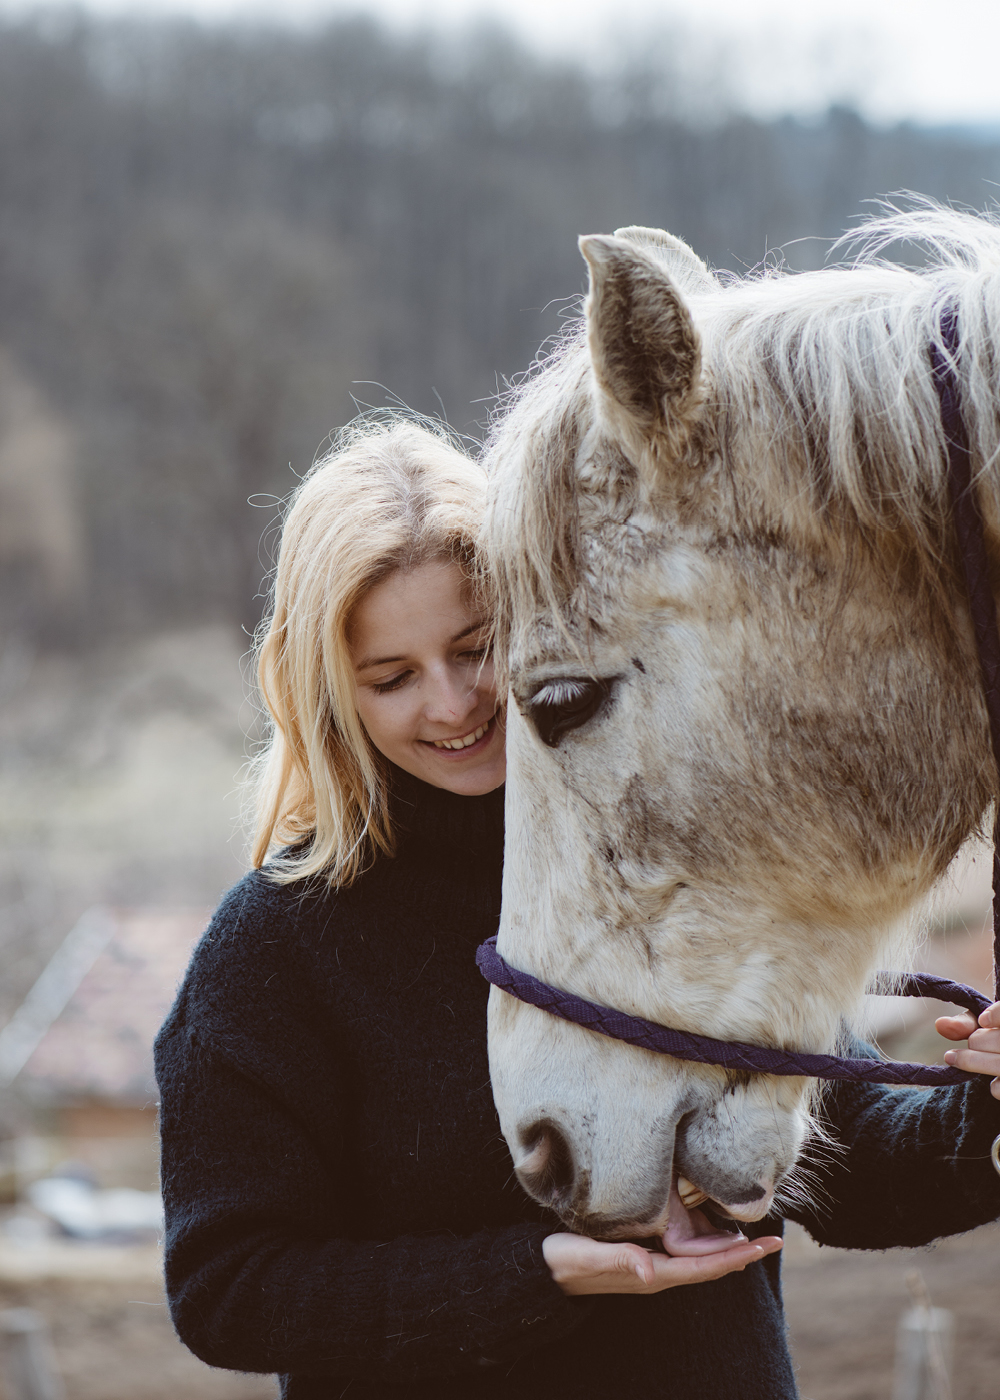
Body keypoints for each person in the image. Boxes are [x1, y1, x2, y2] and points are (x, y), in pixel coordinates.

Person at [155, 417, 1000, 1400]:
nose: (453, 701)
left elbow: (846, 1154)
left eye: (477, 646)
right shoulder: (273, 948)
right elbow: (230, 1288)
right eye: (391, 677)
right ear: (327, 690)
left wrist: (985, 1111)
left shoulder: (675, 864)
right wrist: (539, 1269)